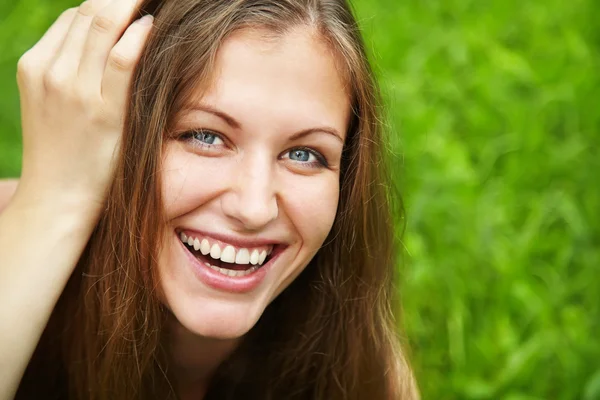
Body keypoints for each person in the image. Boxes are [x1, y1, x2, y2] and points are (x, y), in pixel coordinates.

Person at [0, 0, 418, 398]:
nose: (254, 208)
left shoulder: (356, 362)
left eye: (304, 154)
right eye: (205, 136)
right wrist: (56, 202)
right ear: (113, 128)